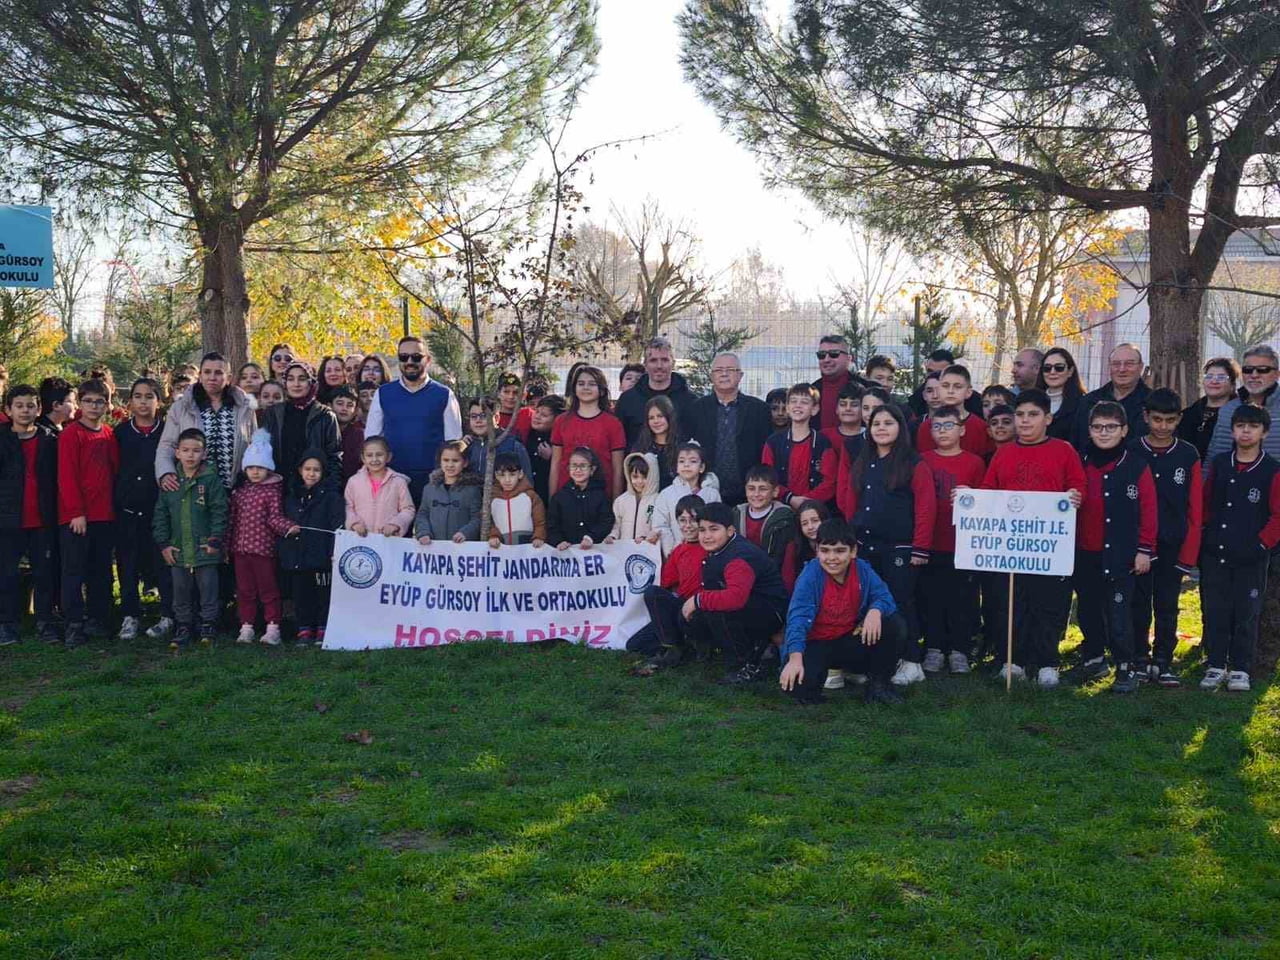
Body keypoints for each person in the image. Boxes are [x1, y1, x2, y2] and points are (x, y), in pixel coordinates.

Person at [980, 389, 1086, 687]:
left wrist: (1075, 496)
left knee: (1048, 602)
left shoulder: (1064, 451)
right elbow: (989, 489)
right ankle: (1012, 658)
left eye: (1033, 415)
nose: (1025, 421)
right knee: (1013, 601)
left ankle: (1047, 661)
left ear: (1048, 418)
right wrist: (969, 500)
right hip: (1012, 544)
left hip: (1049, 545)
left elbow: (1079, 485)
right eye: (1020, 415)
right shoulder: (1005, 453)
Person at [837, 403, 934, 686]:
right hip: (866, 545)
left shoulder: (913, 463)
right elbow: (851, 500)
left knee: (900, 603)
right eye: (876, 423)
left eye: (888, 423)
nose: (881, 428)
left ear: (900, 428)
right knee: (868, 604)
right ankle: (878, 661)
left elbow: (926, 507)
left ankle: (912, 662)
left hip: (901, 548)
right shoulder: (864, 461)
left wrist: (920, 548)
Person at [1070, 402, 1157, 693]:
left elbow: (1148, 509)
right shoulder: (1080, 460)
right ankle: (1094, 658)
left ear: (1124, 430)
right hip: (1084, 552)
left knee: (1120, 614)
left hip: (1122, 554)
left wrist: (1145, 549)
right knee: (1089, 610)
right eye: (1097, 427)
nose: (1103, 433)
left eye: (1110, 427)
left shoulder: (1136, 465)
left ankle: (1126, 666)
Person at [779, 518, 906, 705]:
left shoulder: (862, 569)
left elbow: (885, 597)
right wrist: (795, 659)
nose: (832, 558)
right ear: (817, 551)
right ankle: (815, 678)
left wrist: (875, 611)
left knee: (894, 624)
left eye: (839, 551)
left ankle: (879, 685)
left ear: (853, 551)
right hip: (816, 643)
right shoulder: (810, 576)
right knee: (798, 690)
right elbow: (798, 619)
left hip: (848, 639)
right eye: (825, 551)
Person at [1199, 404, 1280, 693]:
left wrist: (1260, 544)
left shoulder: (1272, 470)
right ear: (1232, 430)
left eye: (1253, 426)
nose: (1246, 431)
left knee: (1246, 612)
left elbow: (1277, 515)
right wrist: (1205, 535)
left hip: (1252, 557)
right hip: (1216, 553)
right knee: (1217, 609)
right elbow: (1206, 503)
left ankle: (1241, 668)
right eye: (1241, 425)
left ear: (1264, 432)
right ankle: (1216, 664)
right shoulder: (1221, 463)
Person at [1131, 388, 1202, 686]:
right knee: (1137, 603)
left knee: (1167, 604)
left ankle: (1164, 660)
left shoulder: (1188, 455)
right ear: (1146, 416)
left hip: (1173, 545)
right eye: (1157, 419)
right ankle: (1138, 659)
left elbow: (1195, 509)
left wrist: (1188, 556)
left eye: (1169, 420)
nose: (1162, 426)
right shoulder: (1132, 451)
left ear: (1178, 420)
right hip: (1138, 547)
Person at [681, 501, 791, 686]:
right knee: (696, 613)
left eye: (713, 529)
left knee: (716, 608)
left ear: (730, 530)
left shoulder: (739, 557)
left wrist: (697, 600)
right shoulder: (719, 549)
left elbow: (735, 598)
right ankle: (713, 650)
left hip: (772, 614)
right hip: (751, 606)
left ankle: (746, 665)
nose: (707, 536)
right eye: (702, 530)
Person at [919, 405, 987, 675]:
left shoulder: (974, 462)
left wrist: (973, 495)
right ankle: (934, 647)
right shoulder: (921, 460)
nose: (943, 431)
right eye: (937, 426)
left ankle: (960, 648)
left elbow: (987, 502)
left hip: (963, 544)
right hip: (931, 542)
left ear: (962, 429)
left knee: (963, 598)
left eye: (949, 425)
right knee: (932, 597)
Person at [364, 336, 463, 504]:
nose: (410, 361)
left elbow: (453, 443)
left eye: (416, 357)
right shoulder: (383, 394)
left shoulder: (444, 394)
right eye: (404, 357)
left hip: (433, 482)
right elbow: (372, 439)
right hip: (392, 480)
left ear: (428, 360)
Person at [58, 378, 120, 646]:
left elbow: (115, 470)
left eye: (99, 401)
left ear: (107, 405)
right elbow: (67, 476)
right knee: (74, 570)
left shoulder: (107, 433)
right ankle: (74, 622)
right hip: (77, 517)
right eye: (88, 401)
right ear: (80, 403)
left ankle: (98, 618)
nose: (94, 406)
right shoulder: (71, 434)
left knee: (101, 570)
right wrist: (76, 512)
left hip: (104, 515)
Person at [153, 428, 228, 649]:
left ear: (204, 454)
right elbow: (160, 514)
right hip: (177, 548)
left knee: (208, 587)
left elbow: (220, 511)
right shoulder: (170, 482)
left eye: (196, 451)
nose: (190, 455)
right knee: (181, 589)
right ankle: (183, 625)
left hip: (205, 548)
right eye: (185, 450)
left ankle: (208, 623)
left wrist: (215, 539)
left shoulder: (211, 480)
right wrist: (164, 544)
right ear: (177, 453)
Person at [113, 378, 173, 642]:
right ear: (130, 402)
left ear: (158, 401)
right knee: (128, 565)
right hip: (127, 510)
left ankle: (168, 614)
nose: (143, 401)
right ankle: (130, 615)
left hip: (159, 510)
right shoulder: (121, 432)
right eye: (138, 396)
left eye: (149, 396)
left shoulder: (167, 432)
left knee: (163, 564)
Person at [0, 385, 58, 645]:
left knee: (44, 572)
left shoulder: (50, 439)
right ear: (8, 410)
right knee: (7, 574)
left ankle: (45, 622)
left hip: (42, 519)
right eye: (19, 406)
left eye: (30, 405)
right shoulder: (1, 439)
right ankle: (8, 623)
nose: (25, 410)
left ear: (39, 408)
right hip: (8, 519)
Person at [227, 429, 293, 646]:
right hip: (240, 550)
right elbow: (231, 520)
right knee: (244, 590)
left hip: (263, 550)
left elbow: (275, 517)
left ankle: (272, 626)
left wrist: (288, 528)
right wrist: (226, 544)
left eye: (260, 468)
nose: (255, 472)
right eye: (251, 468)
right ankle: (247, 626)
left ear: (268, 468)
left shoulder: (272, 491)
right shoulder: (239, 492)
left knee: (268, 589)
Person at [157, 352, 257, 491]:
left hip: (235, 491)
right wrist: (165, 472)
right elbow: (167, 445)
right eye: (207, 372)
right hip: (193, 491)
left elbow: (254, 447)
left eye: (218, 373)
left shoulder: (244, 406)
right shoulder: (182, 407)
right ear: (200, 376)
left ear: (228, 378)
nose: (212, 377)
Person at [632, 494, 708, 672]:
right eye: (682, 520)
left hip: (699, 611)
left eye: (693, 520)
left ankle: (676, 648)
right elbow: (666, 583)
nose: (688, 526)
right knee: (635, 644)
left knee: (652, 593)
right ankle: (676, 646)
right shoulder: (679, 550)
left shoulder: (710, 547)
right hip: (678, 607)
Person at [279, 451, 345, 646]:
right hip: (298, 554)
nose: (311, 473)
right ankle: (304, 628)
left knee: (323, 594)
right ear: (300, 470)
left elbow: (337, 525)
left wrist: (335, 550)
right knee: (301, 593)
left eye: (316, 470)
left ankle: (323, 627)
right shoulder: (291, 496)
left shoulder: (331, 496)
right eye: (308, 469)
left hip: (322, 554)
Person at [550, 365, 626, 498]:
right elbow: (555, 465)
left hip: (601, 498)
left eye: (592, 384)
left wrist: (616, 504)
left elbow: (617, 469)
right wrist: (552, 500)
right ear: (574, 388)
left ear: (601, 391)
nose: (586, 387)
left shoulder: (613, 423)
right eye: (581, 383)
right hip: (566, 496)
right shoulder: (561, 421)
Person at [262, 361, 342, 487]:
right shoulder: (273, 414)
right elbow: (262, 449)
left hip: (313, 488)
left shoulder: (325, 415)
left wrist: (330, 489)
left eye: (302, 379)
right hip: (278, 486)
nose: (296, 384)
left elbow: (334, 456)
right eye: (291, 379)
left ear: (311, 382)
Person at [761, 383, 838, 508]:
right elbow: (767, 477)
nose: (798, 405)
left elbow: (830, 482)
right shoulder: (773, 442)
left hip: (814, 510)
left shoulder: (822, 443)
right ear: (787, 407)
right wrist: (790, 498)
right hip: (780, 508)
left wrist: (807, 501)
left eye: (804, 402)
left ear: (814, 409)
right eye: (793, 401)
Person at [614, 337, 699, 447]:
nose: (659, 366)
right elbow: (618, 442)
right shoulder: (627, 400)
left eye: (664, 360)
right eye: (653, 360)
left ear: (673, 363)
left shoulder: (690, 401)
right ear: (645, 364)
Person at [1206, 345, 1280, 461]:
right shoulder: (1227, 411)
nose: (1254, 375)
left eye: (1263, 370)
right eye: (1248, 370)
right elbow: (1212, 459)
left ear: (1277, 375)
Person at [1073, 343, 1150, 449]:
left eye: (1129, 364)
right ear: (1109, 366)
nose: (1122, 369)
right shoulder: (1089, 402)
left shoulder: (1152, 403)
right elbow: (1076, 443)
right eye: (1116, 364)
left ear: (1141, 367)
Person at [651, 441, 722, 554]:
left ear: (702, 467)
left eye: (693, 461)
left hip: (707, 553)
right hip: (677, 553)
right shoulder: (666, 494)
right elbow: (660, 525)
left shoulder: (712, 494)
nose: (686, 465)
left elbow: (718, 523)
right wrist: (672, 550)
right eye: (682, 461)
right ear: (676, 467)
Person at [344, 436, 416, 539]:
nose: (374, 459)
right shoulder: (354, 482)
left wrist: (395, 524)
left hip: (388, 540)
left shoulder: (398, 482)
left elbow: (408, 509)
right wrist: (354, 523)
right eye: (369, 455)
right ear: (363, 458)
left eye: (379, 455)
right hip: (360, 540)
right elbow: (347, 507)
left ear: (388, 457)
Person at [414, 440, 482, 545]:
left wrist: (465, 533)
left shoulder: (472, 490)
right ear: (440, 461)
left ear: (465, 463)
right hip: (433, 547)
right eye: (446, 460)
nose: (450, 465)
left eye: (455, 461)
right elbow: (423, 514)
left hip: (462, 548)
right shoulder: (429, 489)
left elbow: (477, 518)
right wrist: (423, 533)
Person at [916, 365, 992, 459]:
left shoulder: (981, 427)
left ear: (968, 392)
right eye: (945, 386)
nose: (950, 391)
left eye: (957, 387)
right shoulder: (926, 427)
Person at [548, 446, 614, 550]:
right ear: (568, 468)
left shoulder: (600, 496)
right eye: (574, 466)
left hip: (594, 553)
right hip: (567, 555)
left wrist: (591, 537)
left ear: (592, 469)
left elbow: (606, 521)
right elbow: (552, 525)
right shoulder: (559, 497)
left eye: (583, 466)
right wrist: (559, 541)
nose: (578, 470)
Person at [735, 464, 796, 570]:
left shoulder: (785, 518)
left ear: (775, 491)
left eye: (763, 489)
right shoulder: (736, 514)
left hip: (772, 575)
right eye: (751, 489)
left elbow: (788, 559)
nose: (756, 494)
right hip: (741, 573)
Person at [1180, 357, 1239, 460]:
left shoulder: (1239, 415)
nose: (1214, 381)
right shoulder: (1189, 414)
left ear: (1232, 384)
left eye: (1221, 377)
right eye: (1209, 376)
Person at [464, 396, 532, 481]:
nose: (478, 420)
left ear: (496, 418)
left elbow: (527, 483)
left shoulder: (513, 446)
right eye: (473, 416)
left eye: (484, 415)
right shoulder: (468, 445)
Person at [488, 451, 547, 547]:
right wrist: (494, 535)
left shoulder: (531, 496)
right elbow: (489, 522)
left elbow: (540, 521)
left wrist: (538, 537)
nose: (507, 480)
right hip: (501, 548)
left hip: (527, 549)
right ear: (496, 476)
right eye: (502, 475)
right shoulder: (491, 499)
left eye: (512, 475)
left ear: (520, 474)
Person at [908, 350, 983, 419]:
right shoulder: (917, 399)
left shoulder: (974, 401)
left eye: (940, 373)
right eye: (930, 371)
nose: (935, 376)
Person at [811, 335, 863, 431]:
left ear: (849, 358)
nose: (826, 360)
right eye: (821, 355)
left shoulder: (866, 389)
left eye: (834, 354)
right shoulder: (811, 392)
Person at [1036, 347, 1086, 441]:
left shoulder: (1083, 404)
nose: (1052, 372)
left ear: (1070, 371)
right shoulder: (1032, 401)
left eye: (1059, 368)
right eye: (1047, 368)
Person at [631, 395, 679, 490]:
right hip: (648, 501)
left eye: (660, 416)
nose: (656, 421)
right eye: (651, 418)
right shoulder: (640, 447)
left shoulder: (681, 446)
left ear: (669, 417)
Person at [611, 452, 661, 543]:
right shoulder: (621, 501)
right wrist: (612, 537)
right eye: (635, 476)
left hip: (648, 551)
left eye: (645, 477)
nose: (639, 481)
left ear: (653, 476)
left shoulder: (658, 500)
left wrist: (647, 537)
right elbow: (616, 526)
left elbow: (659, 527)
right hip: (623, 552)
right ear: (628, 475)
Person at [780, 498, 826, 592]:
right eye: (804, 524)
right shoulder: (793, 548)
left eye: (815, 521)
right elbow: (788, 582)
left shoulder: (836, 543)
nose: (810, 527)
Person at [524, 395, 563, 506]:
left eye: (544, 415)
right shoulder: (528, 434)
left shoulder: (558, 442)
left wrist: (552, 458)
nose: (537, 417)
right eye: (536, 412)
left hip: (547, 497)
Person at [329, 385, 365, 483]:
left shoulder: (359, 435)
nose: (344, 408)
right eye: (340, 404)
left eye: (350, 405)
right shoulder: (322, 431)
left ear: (355, 411)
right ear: (330, 406)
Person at [494, 372, 534, 439]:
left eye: (515, 392)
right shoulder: (491, 417)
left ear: (523, 395)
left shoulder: (529, 415)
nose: (511, 396)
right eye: (506, 392)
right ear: (498, 393)